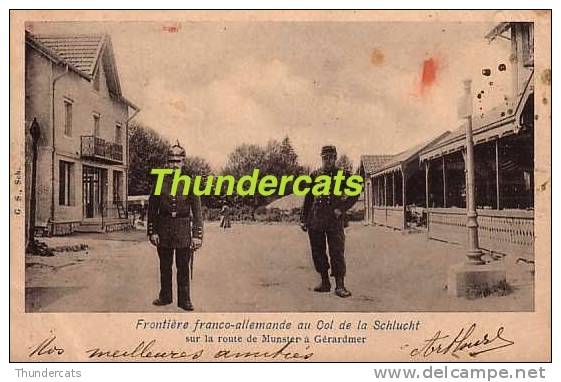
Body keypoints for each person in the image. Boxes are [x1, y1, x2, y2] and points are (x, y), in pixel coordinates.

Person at [147, 142, 203, 311]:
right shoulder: (159, 182)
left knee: (183, 267)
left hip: (182, 230)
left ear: (183, 163)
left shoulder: (190, 183)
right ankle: (165, 296)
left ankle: (184, 300)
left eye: (178, 161)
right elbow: (152, 209)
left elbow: (197, 212)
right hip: (163, 230)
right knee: (165, 266)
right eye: (171, 161)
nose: (174, 165)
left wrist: (197, 235)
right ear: (167, 163)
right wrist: (153, 231)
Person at [300, 145, 359, 298]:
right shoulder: (314, 175)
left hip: (334, 220)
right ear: (321, 158)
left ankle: (340, 286)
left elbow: (355, 191)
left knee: (337, 251)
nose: (328, 160)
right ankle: (325, 282)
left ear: (335, 158)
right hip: (316, 220)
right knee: (318, 252)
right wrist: (304, 219)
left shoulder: (343, 175)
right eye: (325, 157)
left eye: (331, 157)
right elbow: (308, 198)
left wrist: (342, 208)